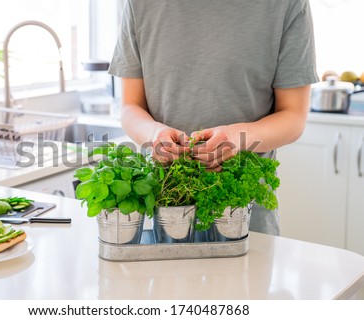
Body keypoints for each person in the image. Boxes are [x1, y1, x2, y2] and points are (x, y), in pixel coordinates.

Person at [108, 0, 319, 235]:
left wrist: (237, 138)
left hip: (243, 217)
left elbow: (293, 115)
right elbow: (130, 106)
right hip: (163, 213)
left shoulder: (286, 4)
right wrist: (154, 134)